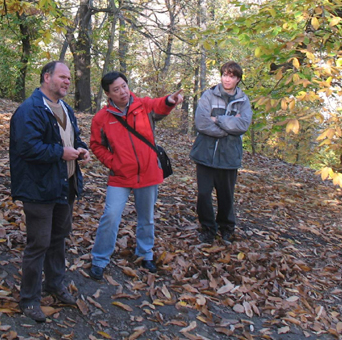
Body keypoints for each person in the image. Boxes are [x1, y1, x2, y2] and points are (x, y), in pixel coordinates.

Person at [9, 61, 90, 323]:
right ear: (47, 77)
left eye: (69, 78)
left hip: (65, 186)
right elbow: (27, 148)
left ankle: (54, 285)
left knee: (58, 239)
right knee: (39, 244)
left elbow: (72, 139)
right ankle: (29, 299)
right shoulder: (30, 109)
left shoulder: (65, 108)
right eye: (62, 77)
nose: (67, 81)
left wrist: (81, 149)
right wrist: (60, 152)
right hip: (39, 188)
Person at [88, 72, 183, 281]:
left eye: (124, 86)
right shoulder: (102, 118)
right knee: (111, 215)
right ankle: (100, 259)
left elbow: (159, 105)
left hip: (148, 173)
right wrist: (113, 162)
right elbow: (96, 145)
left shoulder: (143, 106)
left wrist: (170, 100)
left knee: (146, 217)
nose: (122, 92)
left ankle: (145, 253)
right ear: (108, 94)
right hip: (120, 176)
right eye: (116, 89)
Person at [190, 61, 252, 243]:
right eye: (225, 75)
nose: (227, 79)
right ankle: (208, 229)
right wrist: (228, 128)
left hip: (229, 156)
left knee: (226, 196)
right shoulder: (209, 95)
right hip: (205, 153)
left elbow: (243, 125)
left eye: (231, 76)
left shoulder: (243, 100)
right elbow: (201, 123)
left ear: (238, 79)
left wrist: (217, 119)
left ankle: (226, 228)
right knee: (203, 194)